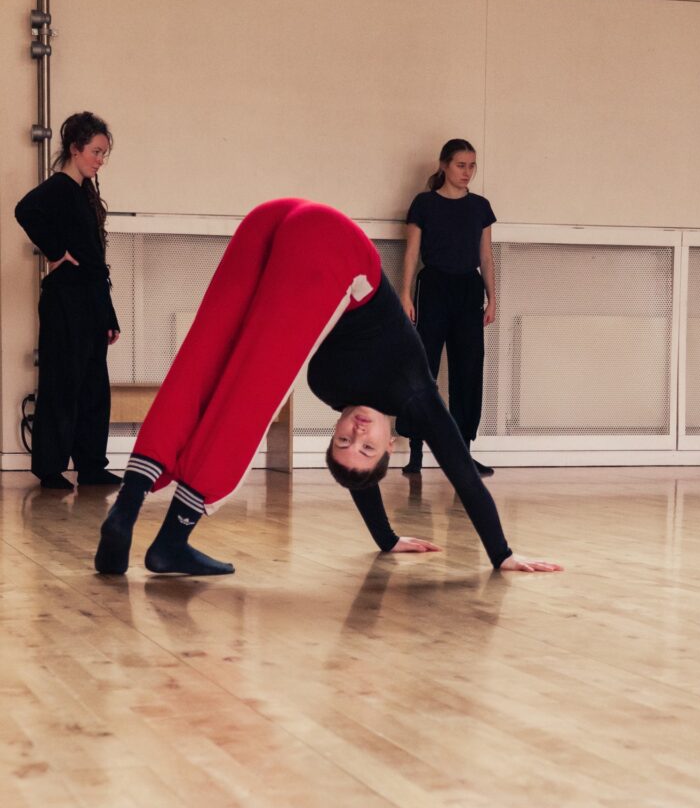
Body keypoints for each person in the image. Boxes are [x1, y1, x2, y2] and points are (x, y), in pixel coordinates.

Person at [94, 199, 561, 576]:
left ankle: (130, 501)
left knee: (205, 357)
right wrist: (502, 554)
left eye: (343, 441)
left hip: (272, 218)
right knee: (248, 397)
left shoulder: (327, 385)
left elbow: (361, 479)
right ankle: (172, 538)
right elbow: (463, 473)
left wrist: (386, 539)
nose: (356, 434)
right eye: (367, 446)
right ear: (391, 444)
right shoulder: (416, 395)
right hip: (332, 244)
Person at [15, 111, 122, 491]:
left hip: (91, 299)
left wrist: (109, 315)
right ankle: (50, 468)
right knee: (63, 382)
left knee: (94, 387)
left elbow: (95, 260)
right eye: (95, 151)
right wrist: (56, 251)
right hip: (66, 301)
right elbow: (24, 210)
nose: (100, 159)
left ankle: (91, 465)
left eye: (103, 153)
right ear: (75, 149)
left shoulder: (82, 193)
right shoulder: (59, 186)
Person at [400, 138, 496, 477]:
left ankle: (463, 454)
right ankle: (414, 453)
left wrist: (492, 298)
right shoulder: (424, 203)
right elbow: (412, 252)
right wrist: (406, 294)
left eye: (472, 166)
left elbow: (485, 256)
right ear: (444, 165)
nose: (467, 172)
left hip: (469, 291)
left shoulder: (480, 206)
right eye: (460, 165)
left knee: (468, 370)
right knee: (423, 369)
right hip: (435, 287)